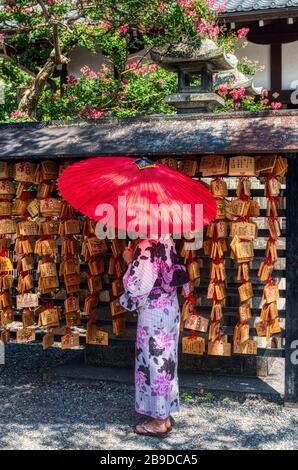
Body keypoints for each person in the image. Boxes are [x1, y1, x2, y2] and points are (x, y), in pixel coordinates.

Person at [120, 237, 190, 438]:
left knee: (154, 362)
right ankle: (165, 415)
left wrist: (129, 261)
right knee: (167, 362)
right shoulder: (167, 242)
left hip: (154, 312)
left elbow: (137, 286)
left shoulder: (146, 246)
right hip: (169, 307)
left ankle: (159, 420)